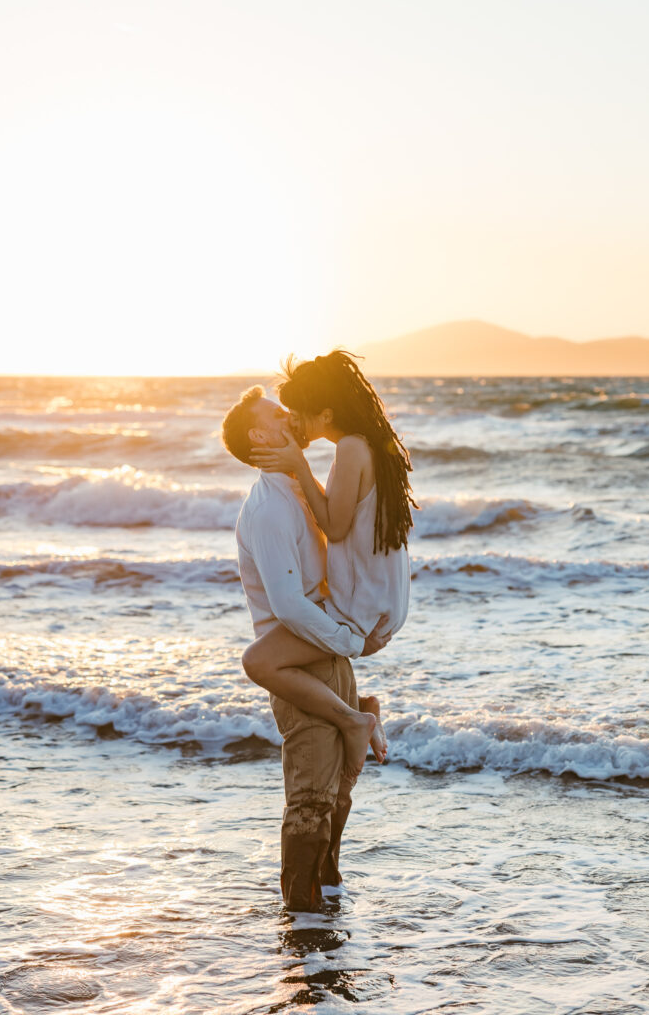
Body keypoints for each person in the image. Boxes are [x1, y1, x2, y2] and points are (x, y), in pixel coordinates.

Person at [221, 384, 392, 911]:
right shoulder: (269, 509)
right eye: (278, 412)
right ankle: (302, 925)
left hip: (327, 647)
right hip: (299, 657)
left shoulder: (298, 485)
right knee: (310, 799)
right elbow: (289, 607)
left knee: (339, 786)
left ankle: (328, 906)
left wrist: (365, 626)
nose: (291, 415)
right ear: (259, 434)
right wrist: (348, 640)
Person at [243, 351, 415, 778]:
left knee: (259, 662)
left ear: (324, 413)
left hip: (362, 606)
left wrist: (300, 466)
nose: (294, 421)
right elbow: (344, 519)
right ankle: (361, 706)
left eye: (299, 412)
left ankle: (355, 719)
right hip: (383, 599)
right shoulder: (369, 444)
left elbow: (335, 529)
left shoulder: (352, 449)